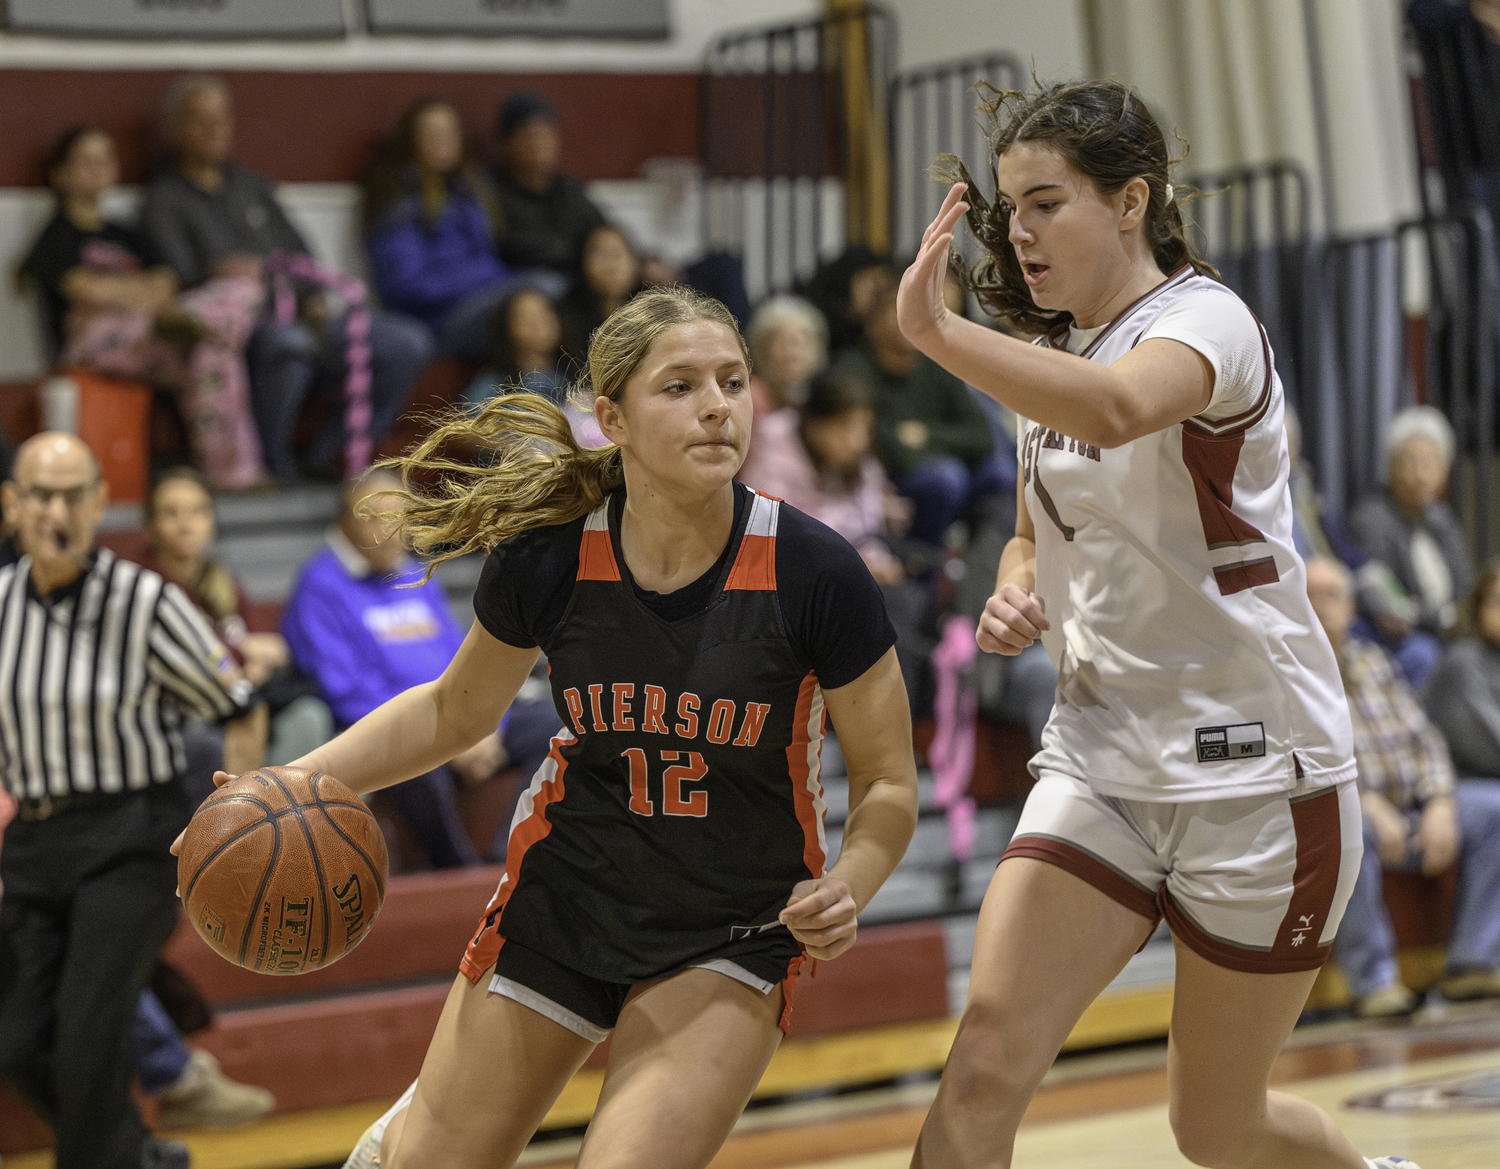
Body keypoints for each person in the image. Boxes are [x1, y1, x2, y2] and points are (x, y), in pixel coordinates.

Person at [176, 286, 919, 1167]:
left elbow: (887, 781)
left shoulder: (815, 571)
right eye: (679, 386)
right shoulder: (554, 553)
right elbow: (455, 710)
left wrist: (855, 879)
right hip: (566, 898)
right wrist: (293, 780)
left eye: (732, 381)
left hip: (733, 924)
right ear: (613, 416)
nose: (718, 405)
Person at [894, 79, 1412, 1169]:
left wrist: (935, 331)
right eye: (1008, 209)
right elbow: (1040, 521)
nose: (1019, 232)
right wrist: (1015, 579)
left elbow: (1121, 411)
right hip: (1103, 758)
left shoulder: (1203, 320)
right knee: (984, 1059)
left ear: (1131, 202)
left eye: (1045, 202)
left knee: (1216, 1126)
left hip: (1256, 770)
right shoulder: (1061, 359)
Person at [0, 433, 262, 1169]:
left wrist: (235, 818)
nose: (57, 510)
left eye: (73, 494)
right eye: (40, 495)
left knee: (88, 1049)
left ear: (97, 504)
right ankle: (141, 1158)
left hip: (128, 840)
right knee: (13, 1041)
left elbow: (239, 704)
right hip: (34, 842)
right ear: (11, 505)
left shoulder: (144, 602)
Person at [139, 74, 433, 483]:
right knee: (287, 345)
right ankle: (277, 469)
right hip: (239, 333)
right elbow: (183, 282)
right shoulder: (163, 200)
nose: (213, 130)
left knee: (404, 343)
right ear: (175, 128)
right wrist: (244, 278)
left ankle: (331, 453)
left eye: (221, 119)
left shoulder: (252, 187)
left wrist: (309, 295)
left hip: (301, 313)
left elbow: (303, 259)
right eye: (199, 120)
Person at [21, 126, 266, 490]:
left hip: (152, 335)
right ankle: (189, 323)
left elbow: (167, 280)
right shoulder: (57, 236)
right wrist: (139, 294)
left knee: (215, 347)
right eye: (86, 161)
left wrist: (131, 293)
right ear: (60, 173)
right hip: (94, 347)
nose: (97, 168)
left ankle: (232, 475)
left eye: (105, 159)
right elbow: (85, 289)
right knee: (188, 333)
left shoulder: (125, 233)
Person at [1306, 556, 1500, 1012]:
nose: (1320, 606)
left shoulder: (1372, 659)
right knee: (1347, 827)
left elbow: (1425, 739)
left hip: (1413, 804)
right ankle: (1373, 983)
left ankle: (1473, 962)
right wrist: (1366, 802)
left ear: (1352, 607)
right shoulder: (1288, 669)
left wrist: (1440, 803)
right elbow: (1306, 756)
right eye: (1310, 594)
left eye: (1332, 595)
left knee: (1494, 808)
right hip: (1351, 806)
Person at [280, 469, 484, 870]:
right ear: (345, 521)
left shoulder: (415, 571)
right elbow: (347, 691)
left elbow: (466, 658)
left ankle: (509, 856)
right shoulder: (319, 585)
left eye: (400, 516)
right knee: (414, 763)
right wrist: (444, 732)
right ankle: (461, 874)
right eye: (375, 516)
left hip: (452, 716)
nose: (391, 530)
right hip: (389, 726)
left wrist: (487, 722)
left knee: (550, 723)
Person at [145, 467, 333, 771]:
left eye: (197, 512)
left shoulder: (221, 580)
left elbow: (274, 648)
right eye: (171, 513)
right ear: (150, 524)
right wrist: (240, 653)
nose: (185, 525)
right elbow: (196, 664)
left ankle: (284, 811)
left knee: (309, 715)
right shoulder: (146, 586)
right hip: (189, 710)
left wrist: (243, 660)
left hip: (245, 696)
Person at [834, 282, 999, 547]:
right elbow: (888, 447)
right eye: (894, 309)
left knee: (999, 473)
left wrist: (927, 434)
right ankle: (923, 572)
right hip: (883, 482)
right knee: (947, 477)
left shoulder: (935, 363)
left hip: (944, 466)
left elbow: (982, 436)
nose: (907, 317)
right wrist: (944, 445)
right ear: (872, 324)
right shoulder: (855, 368)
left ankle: (983, 572)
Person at [364, 98, 521, 363]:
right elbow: (407, 286)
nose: (442, 140)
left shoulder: (470, 188)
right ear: (412, 141)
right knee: (539, 292)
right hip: (434, 320)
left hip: (480, 303)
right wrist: (488, 277)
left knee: (550, 300)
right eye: (432, 133)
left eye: (449, 132)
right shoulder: (396, 198)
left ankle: (554, 396)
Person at [1348, 406, 1471, 690]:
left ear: (1443, 473)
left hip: (1445, 633)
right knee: (1427, 654)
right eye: (1410, 464)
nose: (1420, 476)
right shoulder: (1371, 519)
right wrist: (1443, 621)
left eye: (1430, 464)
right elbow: (1392, 602)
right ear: (1391, 468)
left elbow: (1465, 582)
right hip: (1392, 638)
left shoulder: (1442, 519)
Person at [489, 91, 605, 280]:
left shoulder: (567, 187)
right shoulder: (492, 193)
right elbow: (521, 249)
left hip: (581, 273)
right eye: (529, 134)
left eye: (546, 132)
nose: (540, 142)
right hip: (530, 281)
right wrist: (588, 258)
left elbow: (603, 229)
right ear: (505, 143)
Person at [1426, 559, 1500, 779]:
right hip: (1464, 782)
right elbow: (1489, 745)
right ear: (1478, 606)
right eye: (1498, 601)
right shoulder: (1463, 661)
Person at [557, 223, 644, 377]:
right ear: (582, 262)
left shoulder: (651, 312)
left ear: (636, 262)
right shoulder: (562, 315)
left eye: (617, 254)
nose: (611, 265)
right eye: (601, 254)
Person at [744, 295, 828, 417]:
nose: (793, 353)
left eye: (802, 341)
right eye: (782, 342)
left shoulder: (819, 398)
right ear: (762, 348)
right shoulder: (751, 396)